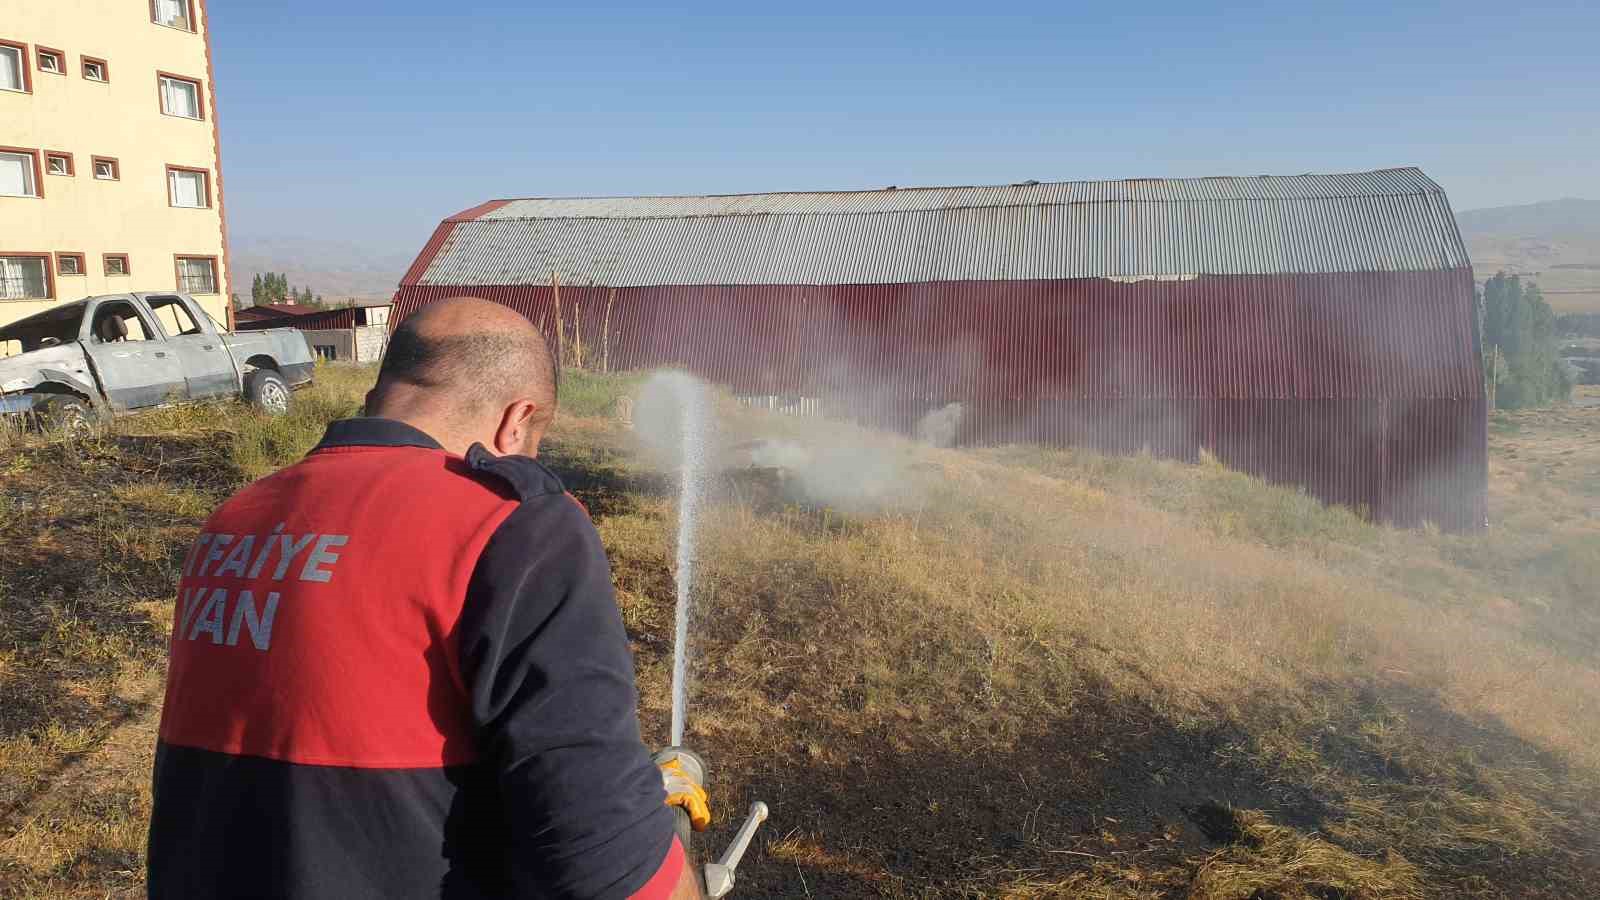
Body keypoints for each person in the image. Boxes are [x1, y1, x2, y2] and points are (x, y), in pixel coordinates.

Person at [148, 297, 709, 899]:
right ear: (514, 423)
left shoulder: (235, 519)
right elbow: (602, 852)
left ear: (380, 393)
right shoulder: (511, 525)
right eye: (535, 441)